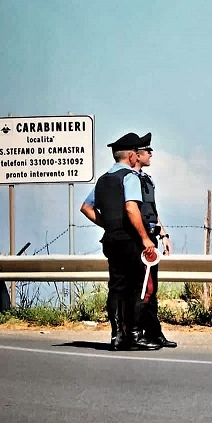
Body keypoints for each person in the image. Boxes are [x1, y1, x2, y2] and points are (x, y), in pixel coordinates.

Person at [80, 132, 161, 351]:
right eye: (136, 153)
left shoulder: (104, 179)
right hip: (130, 240)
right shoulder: (130, 177)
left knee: (116, 287)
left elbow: (86, 207)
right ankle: (134, 336)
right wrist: (145, 238)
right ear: (131, 156)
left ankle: (117, 336)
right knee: (137, 287)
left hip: (111, 239)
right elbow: (131, 207)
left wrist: (107, 224)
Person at [132, 134, 177, 348]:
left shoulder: (146, 180)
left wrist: (163, 234)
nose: (151, 154)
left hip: (151, 237)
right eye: (147, 150)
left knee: (152, 288)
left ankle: (153, 332)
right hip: (139, 240)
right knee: (143, 289)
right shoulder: (130, 180)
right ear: (137, 155)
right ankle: (140, 332)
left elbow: (152, 211)